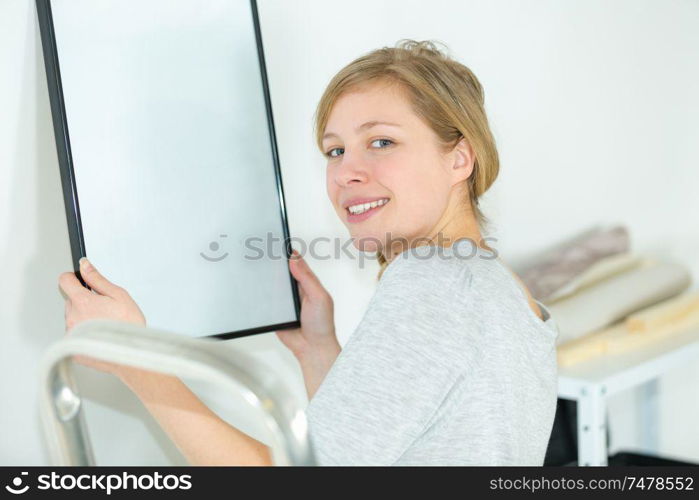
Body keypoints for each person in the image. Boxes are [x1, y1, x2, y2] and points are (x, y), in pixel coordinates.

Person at [58, 39, 559, 466]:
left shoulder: (433, 284)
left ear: (459, 158)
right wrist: (317, 349)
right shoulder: (494, 283)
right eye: (335, 150)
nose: (346, 173)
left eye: (381, 142)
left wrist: (136, 359)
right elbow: (358, 453)